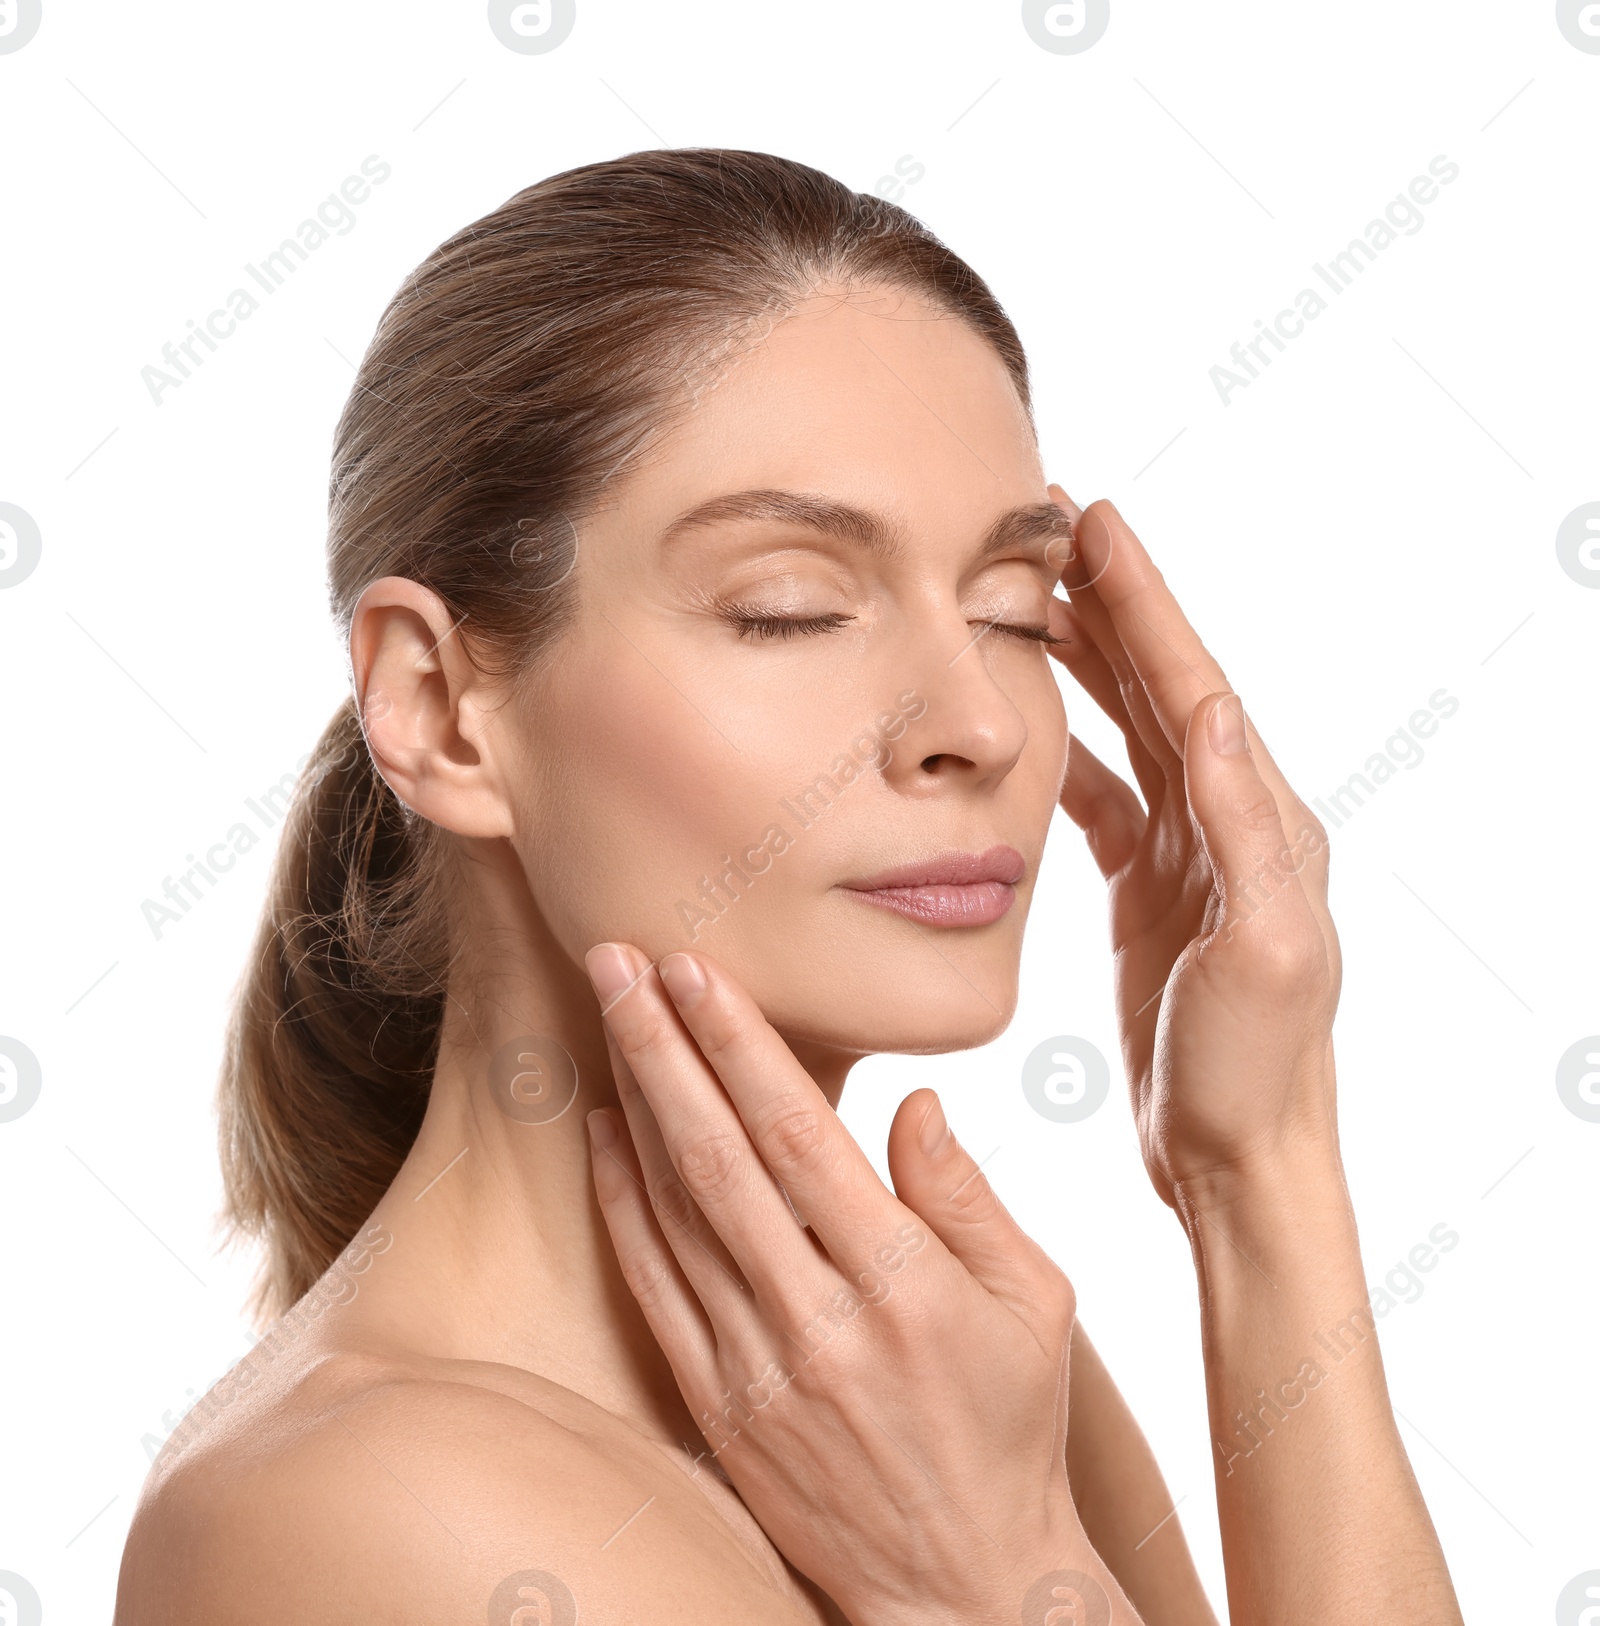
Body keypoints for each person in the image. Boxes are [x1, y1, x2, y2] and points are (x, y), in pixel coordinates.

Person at [114, 148, 1463, 1625]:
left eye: (1011, 610)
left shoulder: (941, 1368)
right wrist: (1001, 1581)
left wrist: (1256, 1164)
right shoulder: (356, 1514)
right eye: (792, 608)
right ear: (438, 710)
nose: (986, 723)